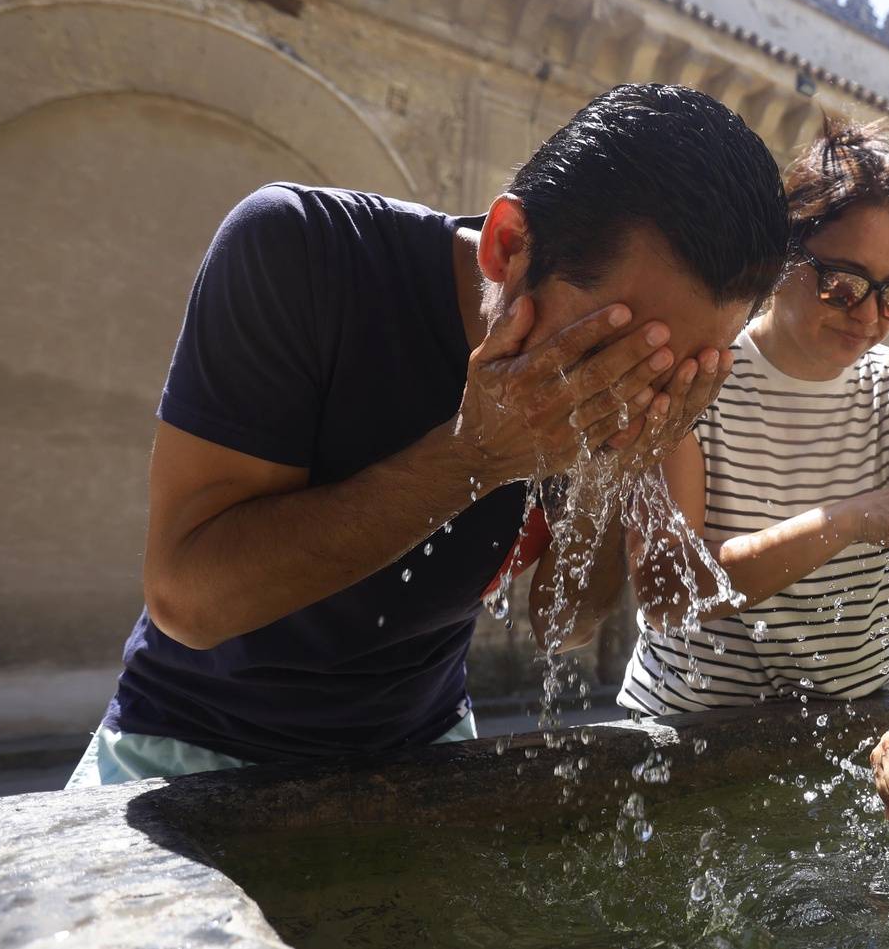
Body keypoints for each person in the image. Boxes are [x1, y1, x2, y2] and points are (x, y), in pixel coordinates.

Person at [66, 84, 790, 786]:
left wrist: (621, 468)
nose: (629, 391)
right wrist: (474, 454)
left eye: (677, 372)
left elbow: (563, 623)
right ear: (508, 246)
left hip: (426, 750)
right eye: (612, 354)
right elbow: (187, 599)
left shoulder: (614, 386)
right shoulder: (305, 253)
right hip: (190, 745)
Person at [620, 117, 889, 826]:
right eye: (843, 282)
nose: (871, 315)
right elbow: (665, 588)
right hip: (684, 739)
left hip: (847, 740)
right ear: (781, 252)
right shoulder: (701, 371)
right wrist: (851, 517)